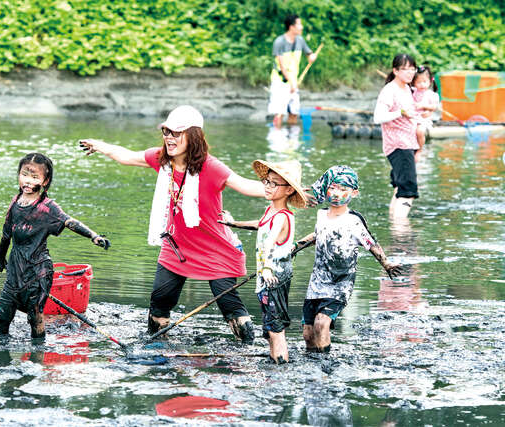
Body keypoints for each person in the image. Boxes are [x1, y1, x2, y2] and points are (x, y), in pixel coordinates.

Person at [79, 105, 265, 344]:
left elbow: (245, 185)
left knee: (229, 303)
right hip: (177, 246)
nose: (169, 138)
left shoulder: (211, 167)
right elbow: (127, 156)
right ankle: (157, 347)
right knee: (160, 300)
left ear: (193, 136)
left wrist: (286, 190)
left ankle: (248, 350)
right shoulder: (162, 160)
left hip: (215, 247)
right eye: (166, 132)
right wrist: (100, 145)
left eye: (176, 133)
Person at [0, 153, 110, 340]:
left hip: (38, 271)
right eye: (24, 174)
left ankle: (38, 353)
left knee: (35, 316)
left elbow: (69, 221)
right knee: (3, 314)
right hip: (15, 268)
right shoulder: (15, 202)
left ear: (45, 182)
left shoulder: (47, 208)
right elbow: (6, 234)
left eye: (35, 177)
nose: (28, 181)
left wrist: (93, 236)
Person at [293, 166, 403, 353]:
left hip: (340, 281)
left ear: (354, 192)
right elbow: (319, 235)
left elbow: (371, 243)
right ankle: (311, 363)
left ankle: (324, 365)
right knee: (308, 332)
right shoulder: (321, 215)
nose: (337, 194)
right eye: (333, 188)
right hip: (317, 280)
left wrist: (386, 263)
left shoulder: (353, 220)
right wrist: (295, 247)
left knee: (321, 323)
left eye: (343, 189)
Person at [218, 160, 307, 363]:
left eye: (274, 184)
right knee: (270, 326)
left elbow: (269, 241)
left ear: (288, 190)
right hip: (268, 277)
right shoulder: (271, 212)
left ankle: (280, 367)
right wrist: (234, 223)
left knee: (275, 329)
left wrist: (266, 268)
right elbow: (261, 226)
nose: (267, 187)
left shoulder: (282, 217)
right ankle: (274, 360)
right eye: (266, 181)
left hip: (273, 277)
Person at [373, 54, 419, 219]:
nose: (410, 73)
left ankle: (395, 224)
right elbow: (378, 117)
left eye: (412, 69)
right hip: (398, 145)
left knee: (400, 187)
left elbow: (411, 115)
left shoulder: (407, 88)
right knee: (408, 190)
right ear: (396, 70)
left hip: (408, 143)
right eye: (405, 69)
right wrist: (399, 112)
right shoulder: (389, 90)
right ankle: (401, 231)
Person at [267, 14, 317, 129]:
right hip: (281, 82)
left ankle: (291, 141)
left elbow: (309, 54)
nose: (301, 27)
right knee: (279, 113)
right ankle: (277, 139)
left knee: (294, 113)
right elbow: (282, 66)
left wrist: (312, 56)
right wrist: (291, 82)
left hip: (294, 82)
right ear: (291, 27)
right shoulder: (279, 42)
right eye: (299, 24)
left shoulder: (300, 40)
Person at [411, 65, 440, 160]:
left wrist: (424, 107)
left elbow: (434, 107)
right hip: (412, 117)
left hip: (424, 119)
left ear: (430, 81)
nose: (422, 85)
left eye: (424, 82)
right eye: (418, 82)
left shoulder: (432, 95)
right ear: (413, 82)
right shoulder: (412, 92)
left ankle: (419, 150)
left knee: (420, 131)